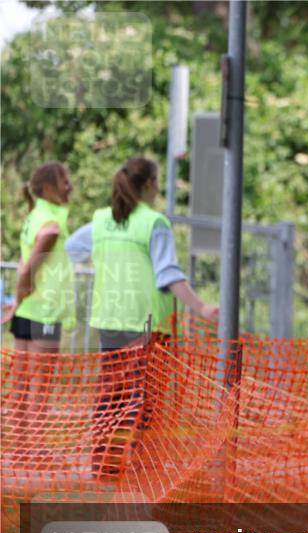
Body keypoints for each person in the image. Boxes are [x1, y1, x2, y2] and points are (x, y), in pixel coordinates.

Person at [66, 156, 218, 477]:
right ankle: (138, 469)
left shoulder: (103, 220)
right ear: (150, 184)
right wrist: (202, 307)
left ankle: (105, 467)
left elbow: (71, 249)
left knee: (112, 398)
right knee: (142, 401)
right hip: (147, 324)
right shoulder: (154, 223)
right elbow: (169, 274)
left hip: (110, 320)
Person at [2, 162, 77, 440]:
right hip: (44, 312)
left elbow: (24, 260)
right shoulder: (50, 221)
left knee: (23, 383)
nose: (69, 186)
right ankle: (36, 450)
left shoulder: (34, 215)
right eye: (64, 181)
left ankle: (24, 447)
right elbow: (30, 264)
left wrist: (17, 302)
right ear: (47, 188)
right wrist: (21, 289)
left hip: (29, 309)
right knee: (40, 386)